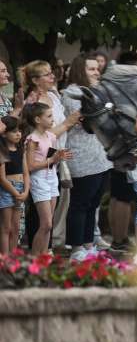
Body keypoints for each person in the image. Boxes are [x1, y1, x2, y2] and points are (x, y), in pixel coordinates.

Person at [62, 55, 113, 261]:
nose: (97, 72)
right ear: (80, 71)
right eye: (91, 69)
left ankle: (88, 244)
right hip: (82, 157)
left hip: (101, 157)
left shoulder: (95, 92)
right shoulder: (73, 93)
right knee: (80, 204)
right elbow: (90, 125)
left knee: (93, 204)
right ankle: (76, 248)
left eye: (97, 69)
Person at [22, 102, 74, 255]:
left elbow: (50, 159)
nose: (53, 119)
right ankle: (35, 258)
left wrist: (58, 157)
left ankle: (44, 258)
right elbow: (30, 166)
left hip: (51, 178)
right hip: (39, 180)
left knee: (49, 225)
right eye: (49, 116)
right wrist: (52, 160)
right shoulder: (33, 139)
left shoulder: (50, 136)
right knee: (46, 224)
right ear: (38, 119)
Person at [0, 116, 28, 254]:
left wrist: (25, 191)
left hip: (20, 190)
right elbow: (2, 178)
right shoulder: (2, 151)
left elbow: (26, 173)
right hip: (7, 190)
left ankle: (13, 258)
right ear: (4, 133)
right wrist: (16, 193)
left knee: (16, 227)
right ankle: (5, 260)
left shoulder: (20, 149)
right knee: (6, 228)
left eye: (19, 131)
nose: (18, 134)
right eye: (14, 131)